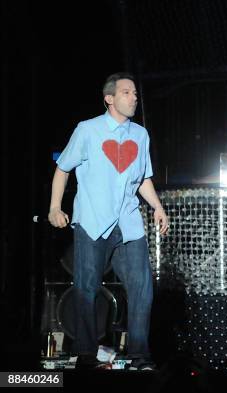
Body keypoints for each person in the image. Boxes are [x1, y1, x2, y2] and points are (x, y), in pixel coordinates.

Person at [48, 72, 169, 369]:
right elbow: (63, 167)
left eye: (135, 93)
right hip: (93, 219)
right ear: (110, 98)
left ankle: (140, 354)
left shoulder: (140, 135)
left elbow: (143, 178)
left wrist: (158, 207)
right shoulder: (87, 130)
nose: (134, 97)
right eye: (127, 92)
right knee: (86, 287)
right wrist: (54, 207)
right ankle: (87, 353)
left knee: (142, 288)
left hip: (127, 223)